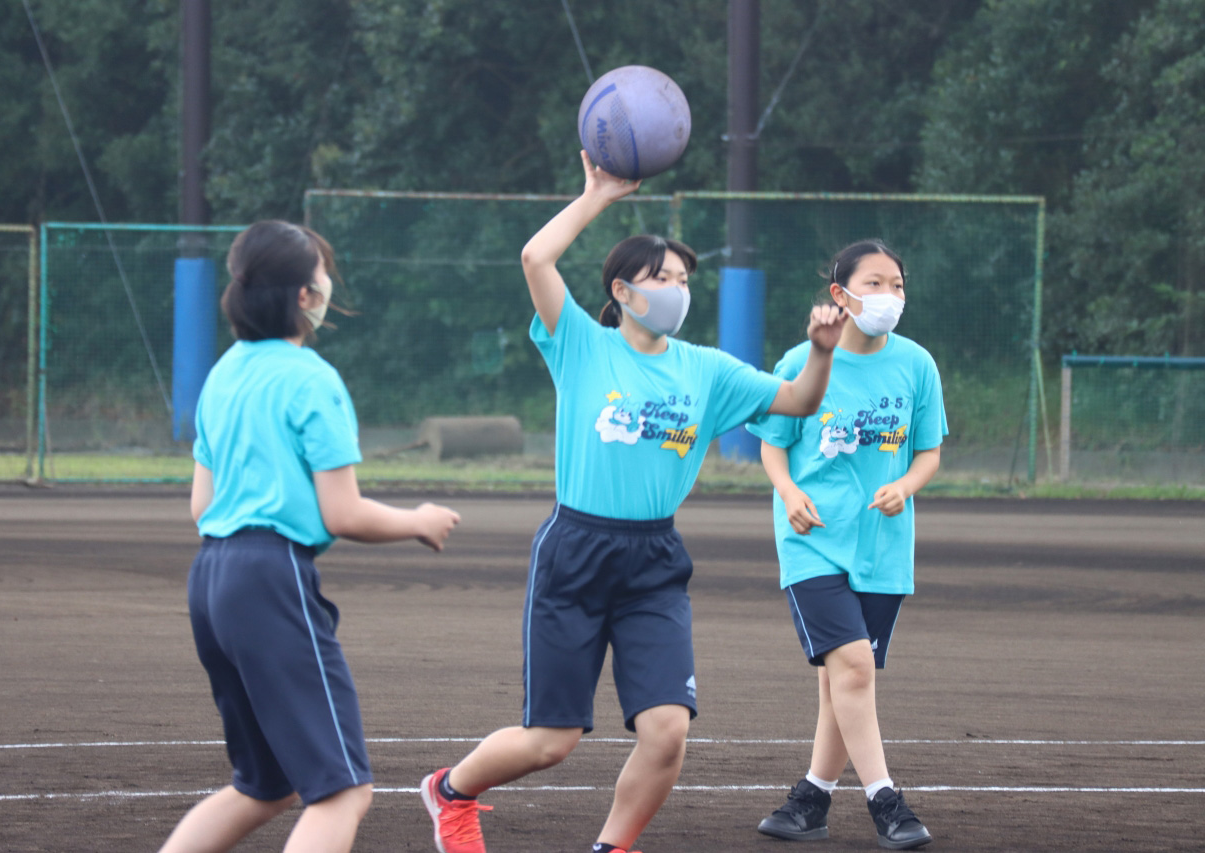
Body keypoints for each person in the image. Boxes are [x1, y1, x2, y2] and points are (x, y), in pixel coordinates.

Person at [419, 151, 847, 853]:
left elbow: (798, 399)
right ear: (622, 289)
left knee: (667, 728)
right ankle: (450, 791)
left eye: (684, 278)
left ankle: (612, 847)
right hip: (577, 548)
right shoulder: (582, 345)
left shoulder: (707, 369)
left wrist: (821, 352)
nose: (678, 288)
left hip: (653, 556)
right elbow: (535, 258)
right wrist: (596, 195)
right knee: (550, 741)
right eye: (664, 277)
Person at [160, 220, 461, 853]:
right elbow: (342, 514)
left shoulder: (223, 374)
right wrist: (418, 521)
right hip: (271, 579)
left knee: (262, 785)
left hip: (211, 577)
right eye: (323, 273)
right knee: (343, 791)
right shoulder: (311, 378)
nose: (328, 284)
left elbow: (201, 504)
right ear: (304, 295)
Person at [746, 240, 946, 850]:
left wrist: (906, 485)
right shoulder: (802, 360)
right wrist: (786, 491)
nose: (890, 296)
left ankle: (809, 800)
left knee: (843, 678)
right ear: (840, 294)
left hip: (883, 547)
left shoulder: (916, 365)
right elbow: (773, 442)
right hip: (813, 540)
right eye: (876, 284)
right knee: (855, 665)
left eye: (899, 285)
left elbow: (929, 451)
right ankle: (887, 801)